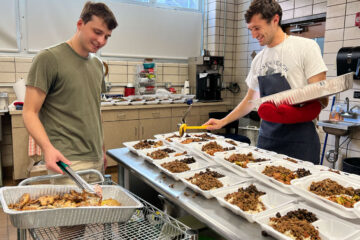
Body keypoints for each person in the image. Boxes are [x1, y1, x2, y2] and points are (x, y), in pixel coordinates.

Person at [204, 0, 328, 164]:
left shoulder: (306, 47)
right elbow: (250, 101)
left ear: (275, 20)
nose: (254, 35)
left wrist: (292, 111)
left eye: (257, 28)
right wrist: (223, 121)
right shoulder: (259, 60)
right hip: (268, 139)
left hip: (300, 141)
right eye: (250, 29)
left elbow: (321, 97)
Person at [23, 1, 118, 179]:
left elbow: (95, 111)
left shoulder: (98, 65)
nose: (101, 41)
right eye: (97, 32)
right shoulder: (48, 59)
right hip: (66, 161)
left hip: (96, 159)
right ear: (80, 24)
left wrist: (102, 150)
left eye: (107, 36)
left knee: (100, 207)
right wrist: (48, 149)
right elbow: (29, 112)